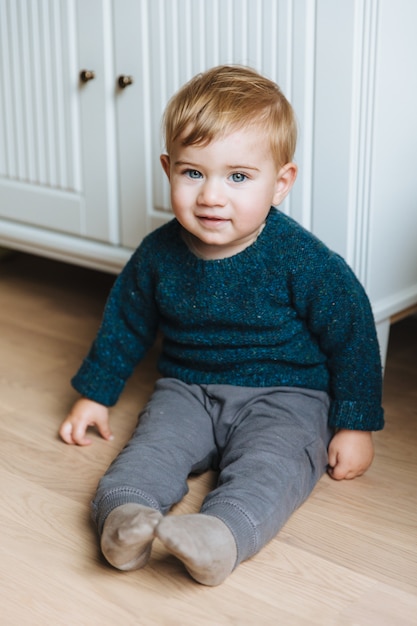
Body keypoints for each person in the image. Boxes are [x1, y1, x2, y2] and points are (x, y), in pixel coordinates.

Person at [59, 65, 384, 586]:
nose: (211, 195)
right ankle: (124, 519)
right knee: (149, 450)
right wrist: (95, 394)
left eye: (238, 176)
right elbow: (126, 323)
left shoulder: (305, 261)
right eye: (193, 173)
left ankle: (221, 533)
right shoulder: (158, 254)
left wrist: (356, 422)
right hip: (188, 389)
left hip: (287, 394)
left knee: (273, 467)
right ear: (168, 169)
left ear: (280, 183)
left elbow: (353, 338)